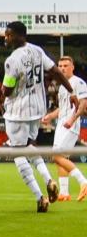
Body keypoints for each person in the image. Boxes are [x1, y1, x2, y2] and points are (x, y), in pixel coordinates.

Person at [2, 21, 73, 212]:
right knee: (29, 147)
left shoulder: (12, 60)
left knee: (18, 154)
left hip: (17, 112)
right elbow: (55, 71)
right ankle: (49, 180)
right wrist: (71, 91)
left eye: (8, 35)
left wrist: (4, 89)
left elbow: (7, 90)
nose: (6, 38)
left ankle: (40, 198)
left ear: (19, 35)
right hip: (37, 111)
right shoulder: (37, 50)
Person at [40, 55, 87, 202]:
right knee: (60, 159)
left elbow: (83, 105)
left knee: (56, 156)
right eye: (60, 66)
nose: (62, 68)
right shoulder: (62, 86)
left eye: (65, 65)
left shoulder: (79, 82)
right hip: (61, 124)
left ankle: (83, 182)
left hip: (70, 125)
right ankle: (64, 193)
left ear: (72, 67)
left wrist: (72, 119)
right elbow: (62, 108)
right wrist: (50, 116)